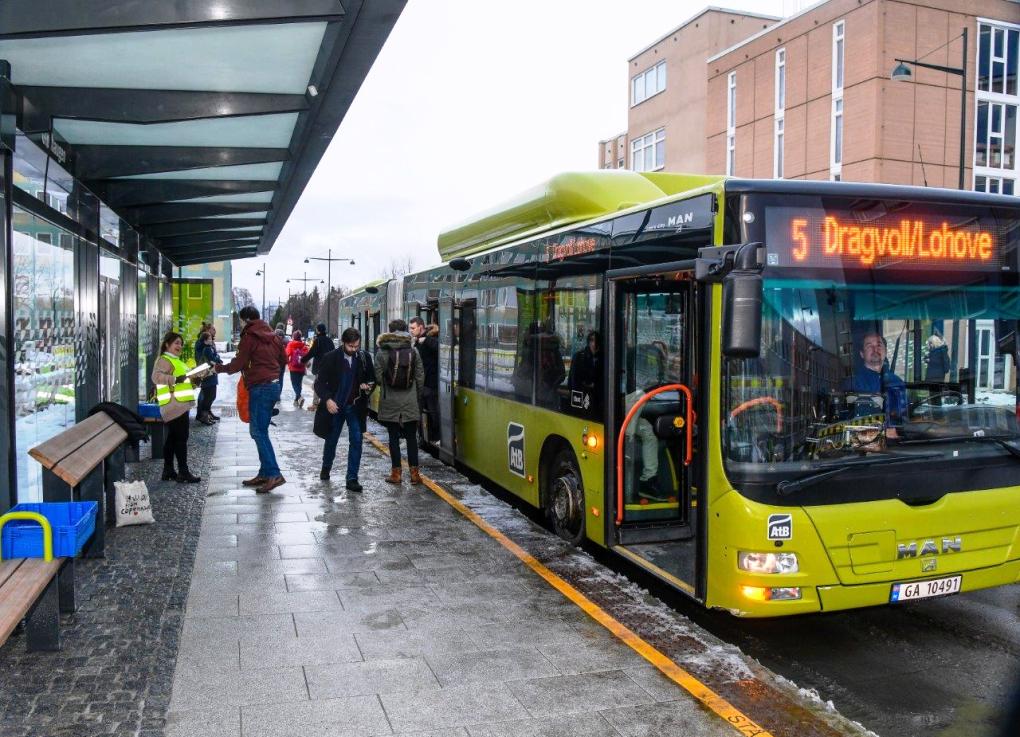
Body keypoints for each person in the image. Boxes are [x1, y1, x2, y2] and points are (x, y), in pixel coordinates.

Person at [216, 306, 287, 493]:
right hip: (273, 386)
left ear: (246, 320)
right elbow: (283, 360)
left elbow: (239, 363)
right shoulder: (274, 336)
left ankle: (274, 474)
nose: (240, 324)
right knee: (261, 430)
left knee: (258, 432)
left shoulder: (250, 337)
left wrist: (219, 368)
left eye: (240, 321)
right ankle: (265, 473)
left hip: (260, 387)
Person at [313, 327, 374, 491]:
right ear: (343, 343)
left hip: (355, 407)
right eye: (350, 347)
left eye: (356, 346)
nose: (354, 350)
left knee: (356, 440)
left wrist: (367, 386)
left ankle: (352, 478)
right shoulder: (330, 358)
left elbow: (372, 379)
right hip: (336, 406)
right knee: (331, 440)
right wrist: (327, 400)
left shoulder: (363, 357)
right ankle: (326, 466)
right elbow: (318, 384)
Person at [375, 319, 425, 485]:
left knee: (393, 438)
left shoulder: (382, 351)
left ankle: (396, 474)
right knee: (411, 438)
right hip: (410, 401)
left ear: (389, 331)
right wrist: (416, 396)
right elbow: (420, 377)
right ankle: (415, 475)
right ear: (405, 330)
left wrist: (389, 384)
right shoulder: (413, 350)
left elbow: (377, 377)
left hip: (390, 401)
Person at [152, 331, 201, 483]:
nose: (179, 346)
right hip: (174, 405)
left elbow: (182, 382)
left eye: (181, 343)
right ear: (167, 344)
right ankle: (183, 472)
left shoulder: (177, 361)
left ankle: (168, 470)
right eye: (176, 343)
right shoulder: (164, 360)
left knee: (173, 438)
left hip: (180, 404)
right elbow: (156, 377)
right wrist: (174, 379)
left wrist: (194, 381)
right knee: (181, 438)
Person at [843, 330, 907, 435]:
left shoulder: (897, 382)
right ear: (862, 354)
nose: (875, 349)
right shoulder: (851, 384)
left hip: (894, 446)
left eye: (879, 345)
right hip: (860, 444)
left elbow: (904, 416)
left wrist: (896, 429)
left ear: (885, 351)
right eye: (869, 346)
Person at [409, 317, 440, 442]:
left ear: (420, 327)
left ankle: (436, 438)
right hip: (421, 383)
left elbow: (439, 348)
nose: (411, 331)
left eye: (413, 328)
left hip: (431, 384)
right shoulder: (416, 341)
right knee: (417, 413)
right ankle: (419, 437)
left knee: (434, 413)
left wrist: (425, 341)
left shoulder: (431, 338)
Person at [567, 330, 602, 415]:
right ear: (588, 342)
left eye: (596, 341)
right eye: (592, 340)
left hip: (598, 400)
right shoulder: (579, 357)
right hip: (581, 398)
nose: (594, 344)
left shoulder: (603, 358)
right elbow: (573, 381)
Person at [302, 323, 336, 408]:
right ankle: (323, 401)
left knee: (317, 385)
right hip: (330, 367)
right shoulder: (329, 340)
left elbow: (312, 352)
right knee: (325, 384)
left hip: (320, 367)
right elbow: (334, 353)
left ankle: (315, 404)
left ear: (318, 330)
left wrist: (303, 359)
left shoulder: (318, 340)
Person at [195, 330, 222, 425]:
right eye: (209, 339)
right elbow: (213, 359)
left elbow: (216, 358)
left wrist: (217, 358)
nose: (211, 340)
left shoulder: (210, 348)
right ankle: (204, 416)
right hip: (208, 375)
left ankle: (206, 415)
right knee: (209, 396)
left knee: (211, 396)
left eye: (211, 338)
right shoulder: (206, 349)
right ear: (205, 341)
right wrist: (217, 358)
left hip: (212, 374)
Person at [285, 329, 309, 407]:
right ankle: (296, 400)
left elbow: (287, 354)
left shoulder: (290, 344)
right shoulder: (304, 345)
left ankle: (299, 396)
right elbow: (307, 355)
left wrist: (287, 363)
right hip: (301, 368)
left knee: (294, 384)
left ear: (293, 337)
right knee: (299, 384)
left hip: (293, 368)